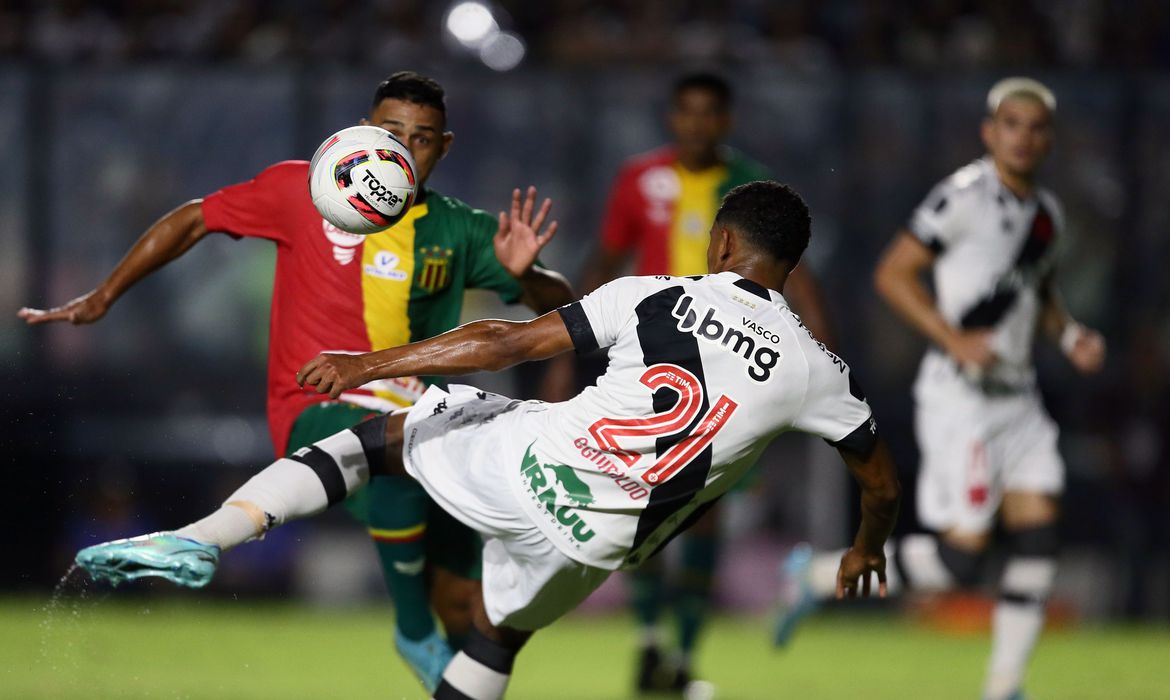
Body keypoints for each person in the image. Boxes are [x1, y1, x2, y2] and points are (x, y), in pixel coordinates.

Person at [75, 180, 901, 700]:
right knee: (498, 638)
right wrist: (864, 550)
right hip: (601, 544)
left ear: (722, 243)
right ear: (791, 264)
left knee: (387, 432)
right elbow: (880, 482)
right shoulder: (820, 369)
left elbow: (507, 341)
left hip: (534, 463)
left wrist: (374, 359)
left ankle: (203, 537)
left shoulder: (654, 294)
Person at [18, 71, 574, 691]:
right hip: (317, 405)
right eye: (391, 132)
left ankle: (446, 662)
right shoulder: (304, 190)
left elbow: (556, 305)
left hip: (419, 415)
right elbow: (195, 218)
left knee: (469, 609)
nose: (404, 149)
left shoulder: (461, 229)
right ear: (364, 131)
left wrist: (529, 276)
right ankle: (410, 631)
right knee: (399, 454)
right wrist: (104, 295)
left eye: (421, 139)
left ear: (443, 148)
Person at [772, 78, 1106, 700]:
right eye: (1012, 124)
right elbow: (892, 273)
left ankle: (1004, 685)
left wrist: (1070, 337)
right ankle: (815, 576)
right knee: (961, 561)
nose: (1024, 137)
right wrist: (951, 338)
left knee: (1040, 534)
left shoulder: (1047, 215)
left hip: (1021, 399)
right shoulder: (962, 197)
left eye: (1036, 127)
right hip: (964, 398)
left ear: (1048, 138)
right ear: (990, 131)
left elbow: (1041, 295)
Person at [584, 71, 836, 693]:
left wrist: (824, 351)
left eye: (709, 114)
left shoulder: (750, 187)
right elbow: (607, 260)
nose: (697, 124)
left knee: (704, 514)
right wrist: (570, 344)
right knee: (639, 503)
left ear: (726, 121)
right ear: (672, 117)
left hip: (728, 369)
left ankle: (685, 658)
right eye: (686, 112)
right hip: (647, 364)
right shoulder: (639, 179)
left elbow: (794, 275)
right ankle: (648, 642)